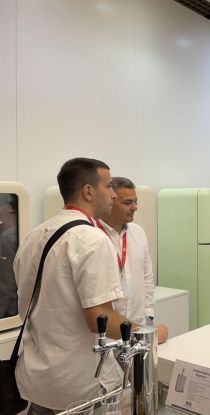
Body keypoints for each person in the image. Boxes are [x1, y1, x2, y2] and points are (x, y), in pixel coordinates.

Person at [14, 158, 134, 414]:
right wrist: (145, 333)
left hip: (38, 379)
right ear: (88, 191)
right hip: (78, 386)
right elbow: (100, 319)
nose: (114, 194)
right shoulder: (92, 239)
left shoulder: (34, 236)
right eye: (109, 186)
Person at [98, 176, 168, 344]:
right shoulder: (93, 235)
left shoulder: (137, 232)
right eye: (128, 202)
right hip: (107, 333)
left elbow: (147, 276)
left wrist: (148, 316)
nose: (134, 207)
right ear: (111, 201)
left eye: (136, 202)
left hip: (138, 323)